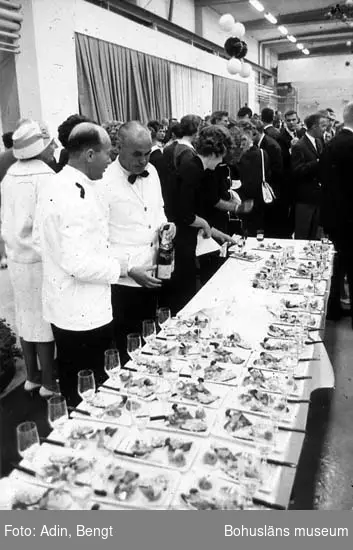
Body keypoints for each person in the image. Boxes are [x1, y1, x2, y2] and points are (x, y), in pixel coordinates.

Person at [35, 122, 127, 406]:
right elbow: (78, 263)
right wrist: (123, 269)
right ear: (89, 154)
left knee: (81, 385)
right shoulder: (68, 194)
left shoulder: (61, 183)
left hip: (73, 305)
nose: (110, 160)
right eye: (107, 154)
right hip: (81, 312)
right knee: (88, 392)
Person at [100, 121, 176, 361]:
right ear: (118, 147)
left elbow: (158, 210)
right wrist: (129, 269)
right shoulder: (103, 181)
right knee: (129, 343)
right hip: (125, 280)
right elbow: (99, 241)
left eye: (147, 153)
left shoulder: (152, 171)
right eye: (137, 154)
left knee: (154, 337)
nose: (144, 161)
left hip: (156, 270)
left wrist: (167, 225)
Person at [1, 120, 57, 396]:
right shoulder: (45, 175)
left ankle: (32, 376)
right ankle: (48, 382)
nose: (53, 149)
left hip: (16, 258)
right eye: (49, 145)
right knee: (44, 321)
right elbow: (48, 223)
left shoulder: (10, 173)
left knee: (25, 318)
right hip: (39, 258)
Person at [168, 125, 236, 314]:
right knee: (185, 292)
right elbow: (187, 214)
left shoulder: (197, 168)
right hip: (181, 240)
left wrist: (219, 234)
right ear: (217, 151)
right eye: (223, 155)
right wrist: (206, 225)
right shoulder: (193, 169)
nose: (222, 160)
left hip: (186, 236)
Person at [320, 102, 353, 324]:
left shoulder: (331, 144)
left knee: (337, 264)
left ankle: (333, 308)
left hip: (334, 215)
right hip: (350, 215)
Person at [291, 112, 327, 240]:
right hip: (304, 199)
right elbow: (296, 171)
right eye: (323, 126)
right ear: (313, 127)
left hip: (317, 198)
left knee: (314, 235)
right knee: (302, 235)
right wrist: (316, 163)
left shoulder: (319, 142)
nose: (325, 129)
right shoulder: (299, 146)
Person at [253, 119, 285, 238]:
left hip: (270, 190)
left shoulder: (271, 145)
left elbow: (277, 170)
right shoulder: (262, 144)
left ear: (255, 132)